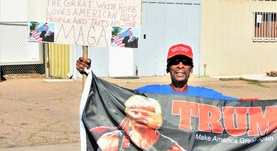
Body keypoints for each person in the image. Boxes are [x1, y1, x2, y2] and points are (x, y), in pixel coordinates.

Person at [76, 43, 237, 100]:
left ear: (191, 68)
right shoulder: (150, 93)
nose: (180, 65)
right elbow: (114, 96)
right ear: (168, 68)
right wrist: (89, 73)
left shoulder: (206, 96)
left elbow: (240, 106)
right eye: (175, 62)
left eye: (185, 62)